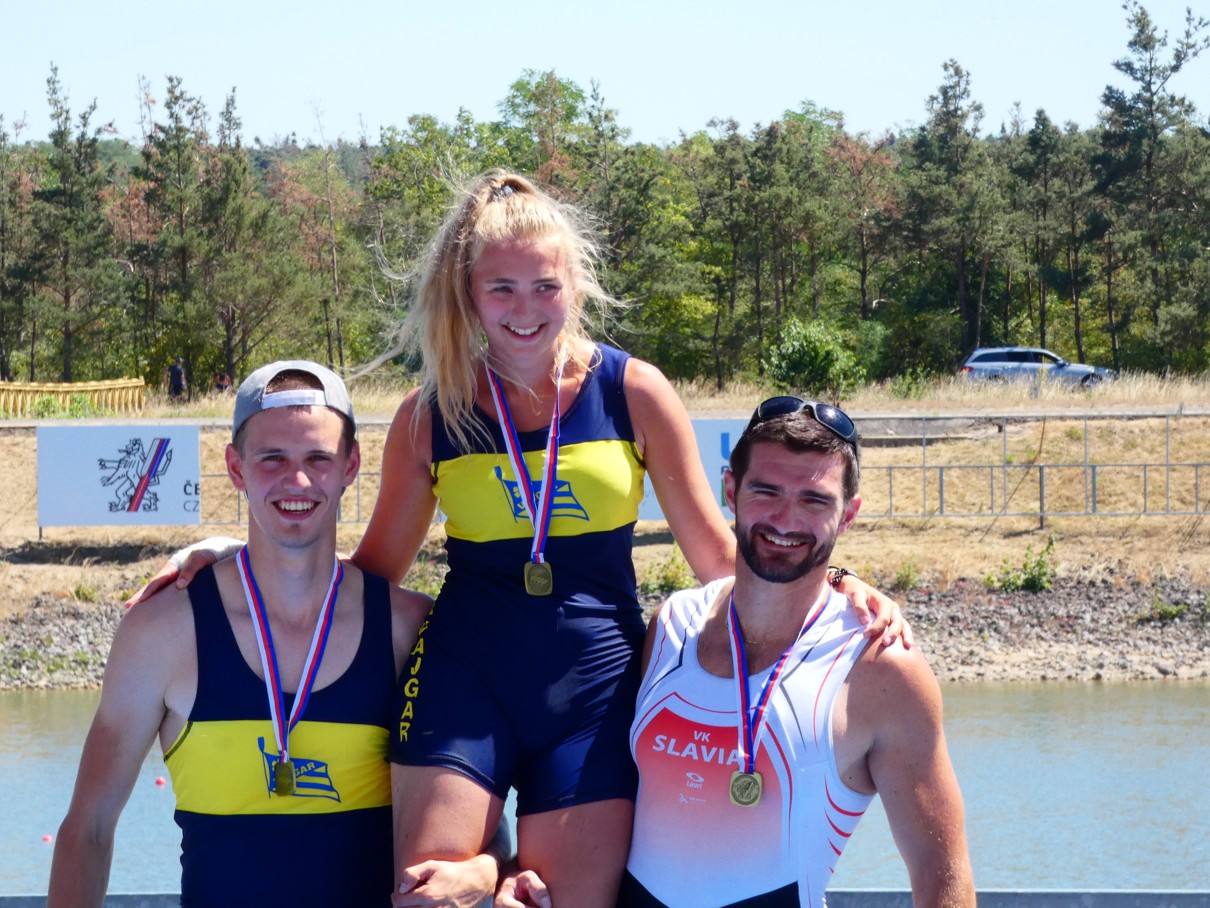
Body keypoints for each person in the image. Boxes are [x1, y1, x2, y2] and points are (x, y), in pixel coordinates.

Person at [129, 172, 907, 908]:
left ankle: (493, 871)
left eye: (545, 286)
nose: (524, 308)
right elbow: (367, 576)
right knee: (427, 895)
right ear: (468, 294)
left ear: (575, 288)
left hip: (595, 691)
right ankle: (484, 871)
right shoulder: (430, 413)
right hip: (463, 675)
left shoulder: (633, 392)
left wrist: (836, 590)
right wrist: (235, 564)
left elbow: (716, 559)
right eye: (501, 287)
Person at [49, 361, 499, 908]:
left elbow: (481, 828)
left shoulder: (407, 629)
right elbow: (89, 828)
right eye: (273, 459)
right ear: (235, 468)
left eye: (318, 458)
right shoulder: (162, 631)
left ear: (351, 465)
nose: (298, 481)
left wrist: (486, 869)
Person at [500, 397, 973, 907]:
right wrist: (512, 873)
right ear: (731, 490)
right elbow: (589, 789)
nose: (786, 520)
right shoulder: (671, 626)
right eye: (766, 491)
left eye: (814, 501)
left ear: (848, 514)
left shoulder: (882, 667)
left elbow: (942, 874)